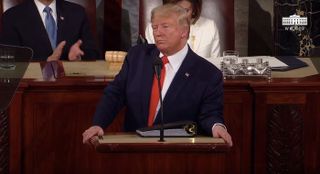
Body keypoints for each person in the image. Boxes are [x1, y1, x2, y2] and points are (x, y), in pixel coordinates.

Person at [82, 4, 232, 146]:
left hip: (178, 154)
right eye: (155, 27)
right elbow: (115, 93)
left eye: (165, 27)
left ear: (184, 32)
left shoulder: (207, 74)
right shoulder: (137, 56)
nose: (158, 33)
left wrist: (217, 127)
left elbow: (210, 113)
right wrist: (98, 124)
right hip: (134, 149)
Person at [0, 0, 100, 61]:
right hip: (32, 88)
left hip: (71, 84)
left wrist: (80, 57)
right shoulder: (12, 17)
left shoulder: (77, 12)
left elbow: (93, 52)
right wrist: (45, 62)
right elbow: (10, 60)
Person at [145, 0, 220, 59]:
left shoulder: (210, 26)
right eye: (175, 10)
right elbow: (153, 62)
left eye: (186, 10)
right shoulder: (154, 29)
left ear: (194, 10)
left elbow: (217, 64)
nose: (179, 15)